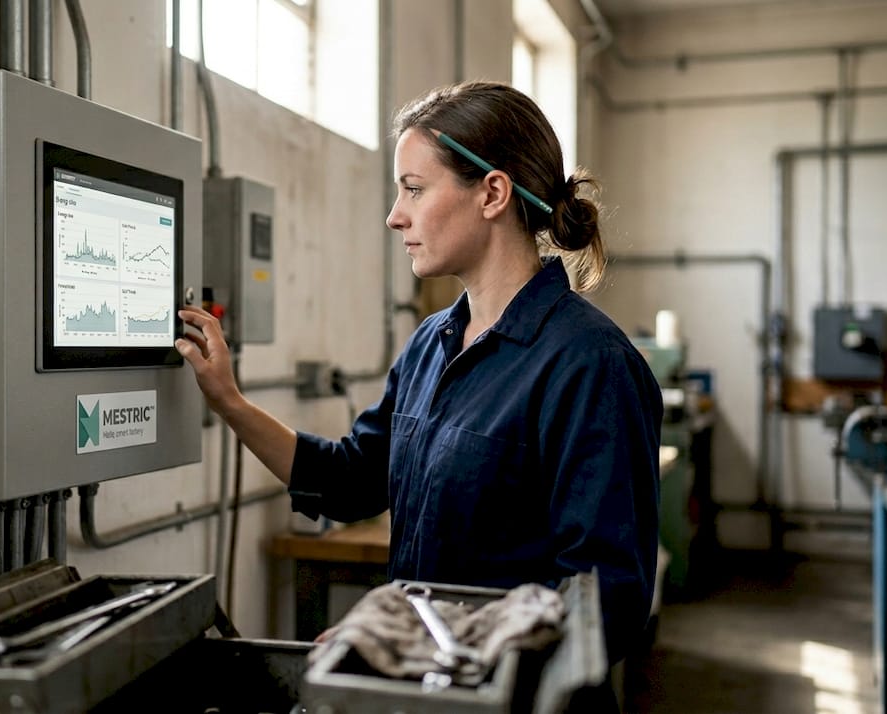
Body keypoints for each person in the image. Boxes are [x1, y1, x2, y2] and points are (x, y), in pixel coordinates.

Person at [175, 81, 662, 671]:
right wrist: (228, 400)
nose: (393, 216)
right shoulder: (431, 345)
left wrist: (419, 644)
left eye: (413, 189)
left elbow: (606, 601)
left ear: (492, 194)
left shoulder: (590, 364)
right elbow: (350, 481)